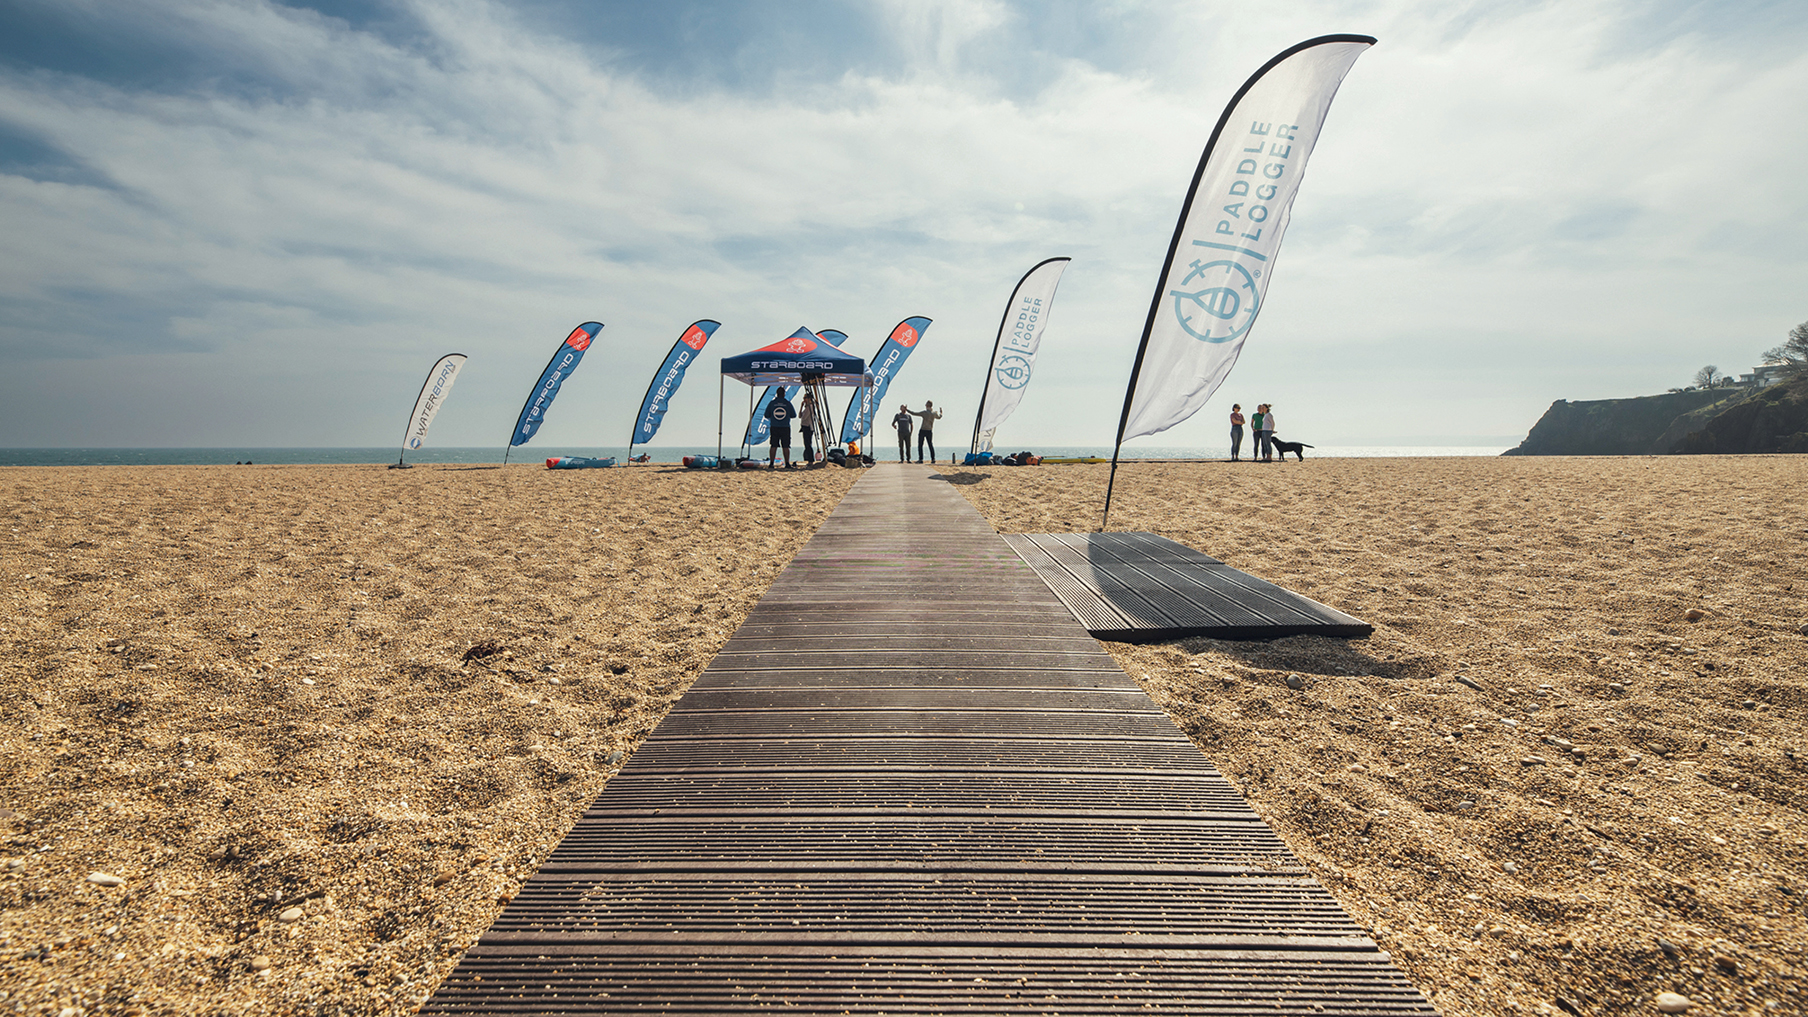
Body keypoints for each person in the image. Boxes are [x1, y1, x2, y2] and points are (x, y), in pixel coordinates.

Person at [764, 389, 796, 469]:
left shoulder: (772, 403)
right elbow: (793, 415)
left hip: (774, 426)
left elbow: (766, 415)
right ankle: (787, 463)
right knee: (786, 446)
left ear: (777, 394)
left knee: (773, 445)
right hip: (785, 427)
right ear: (784, 394)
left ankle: (771, 463)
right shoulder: (787, 403)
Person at [798, 388, 818, 466]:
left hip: (808, 426)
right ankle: (809, 459)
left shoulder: (811, 406)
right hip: (805, 426)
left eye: (805, 398)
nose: (804, 399)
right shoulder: (807, 407)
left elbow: (804, 417)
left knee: (808, 443)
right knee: (806, 443)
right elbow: (800, 416)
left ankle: (810, 459)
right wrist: (801, 407)